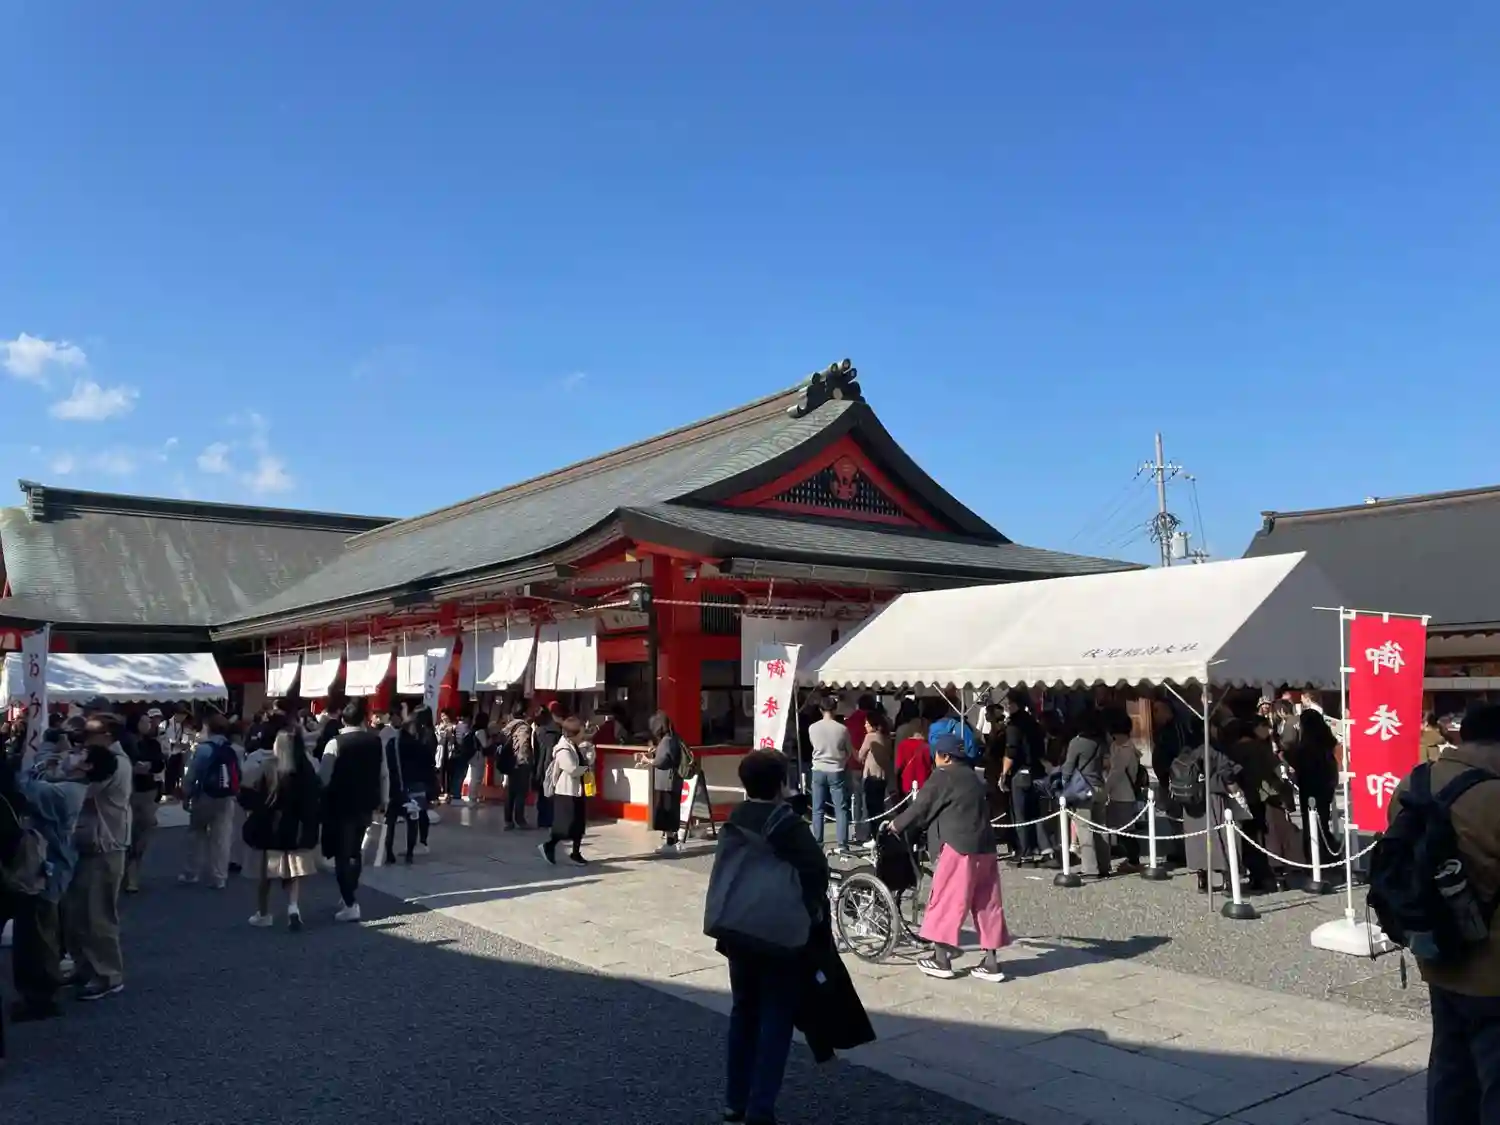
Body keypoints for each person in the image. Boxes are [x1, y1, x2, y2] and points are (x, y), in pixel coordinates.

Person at [1387, 702, 1500, 1123]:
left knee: (1450, 1069)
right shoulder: (1493, 796)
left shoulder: (1413, 783)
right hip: (1492, 968)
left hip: (1434, 950)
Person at [714, 749, 832, 1125]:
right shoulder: (787, 823)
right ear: (781, 783)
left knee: (743, 1012)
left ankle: (734, 1101)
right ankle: (761, 1108)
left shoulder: (735, 818)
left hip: (737, 927)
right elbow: (816, 870)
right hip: (778, 932)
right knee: (776, 1018)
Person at [887, 733, 1010, 981]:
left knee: (947, 899)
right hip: (986, 847)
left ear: (944, 756)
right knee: (987, 903)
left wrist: (896, 825)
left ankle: (941, 959)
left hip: (958, 847)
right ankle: (991, 962)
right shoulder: (973, 776)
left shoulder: (943, 775)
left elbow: (921, 806)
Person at [0, 752, 84, 1022]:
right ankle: (39, 993)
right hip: (43, 869)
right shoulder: (68, 789)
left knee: (37, 937)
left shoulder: (65, 792)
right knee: (37, 934)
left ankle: (41, 998)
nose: (70, 757)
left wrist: (36, 764)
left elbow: (26, 787)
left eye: (80, 755)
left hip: (42, 872)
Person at [65, 721, 133, 1001]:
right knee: (77, 912)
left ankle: (108, 975)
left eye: (88, 734)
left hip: (106, 845)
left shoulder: (114, 763)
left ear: (106, 735)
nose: (82, 739)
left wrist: (71, 766)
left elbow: (82, 790)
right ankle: (85, 967)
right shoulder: (101, 758)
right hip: (91, 842)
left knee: (98, 915)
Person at [242, 727, 322, 931]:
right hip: (296, 828)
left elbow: (254, 795)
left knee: (267, 874)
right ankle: (293, 908)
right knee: (293, 871)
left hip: (271, 827)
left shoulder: (268, 767)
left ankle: (263, 913)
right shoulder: (305, 769)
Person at [319, 699, 388, 923]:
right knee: (355, 851)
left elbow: (324, 777)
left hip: (339, 804)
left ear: (343, 720)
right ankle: (349, 894)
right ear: (363, 720)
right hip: (365, 803)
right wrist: (384, 800)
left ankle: (350, 902)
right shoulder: (375, 742)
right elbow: (384, 773)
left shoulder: (335, 743)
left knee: (341, 853)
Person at [179, 711, 239, 888]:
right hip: (226, 796)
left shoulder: (203, 749)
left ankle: (191, 872)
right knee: (222, 837)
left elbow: (191, 775)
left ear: (209, 728)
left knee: (196, 833)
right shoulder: (232, 749)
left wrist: (186, 795)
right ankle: (219, 876)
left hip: (205, 796)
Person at [1060, 710, 1111, 878]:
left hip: (1083, 789)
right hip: (1099, 785)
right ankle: (1104, 865)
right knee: (1101, 828)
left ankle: (1090, 868)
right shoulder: (1102, 742)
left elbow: (1068, 768)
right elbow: (1106, 764)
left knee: (1084, 829)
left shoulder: (1077, 742)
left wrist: (1063, 785)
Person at [1287, 708, 1342, 863]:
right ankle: (1326, 853)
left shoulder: (1307, 745)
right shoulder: (1326, 740)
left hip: (1309, 786)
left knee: (1311, 822)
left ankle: (1315, 855)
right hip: (1325, 785)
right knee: (1322, 821)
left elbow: (1300, 764)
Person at [1000, 688, 1049, 865]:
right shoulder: (1033, 722)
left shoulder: (1014, 725)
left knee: (1020, 814)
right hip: (1036, 770)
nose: (1006, 706)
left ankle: (1025, 853)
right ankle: (1042, 849)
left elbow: (1011, 751)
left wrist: (1003, 774)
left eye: (1009, 703)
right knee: (1035, 813)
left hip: (1020, 772)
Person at [539, 715, 593, 866]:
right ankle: (549, 846)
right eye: (581, 732)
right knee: (565, 826)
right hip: (566, 792)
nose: (583, 735)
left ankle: (575, 853)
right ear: (573, 733)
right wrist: (585, 768)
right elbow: (572, 769)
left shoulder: (575, 746)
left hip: (578, 790)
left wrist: (589, 751)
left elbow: (586, 761)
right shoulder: (563, 749)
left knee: (578, 825)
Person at [383, 713, 435, 865]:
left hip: (395, 786)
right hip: (415, 787)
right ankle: (410, 854)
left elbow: (387, 764)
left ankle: (389, 852)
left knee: (390, 821)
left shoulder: (392, 743)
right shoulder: (419, 745)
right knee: (412, 820)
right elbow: (429, 764)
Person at [123, 711, 166, 893]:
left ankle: (133, 873)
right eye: (145, 721)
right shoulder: (125, 742)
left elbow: (160, 763)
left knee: (142, 833)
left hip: (147, 790)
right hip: (130, 790)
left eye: (149, 721)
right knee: (129, 832)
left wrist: (149, 766)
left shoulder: (152, 743)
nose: (149, 724)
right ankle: (127, 873)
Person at [1102, 708, 1145, 874]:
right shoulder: (1116, 746)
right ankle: (1128, 857)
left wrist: (1104, 790)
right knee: (1118, 829)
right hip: (1116, 794)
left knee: (1126, 831)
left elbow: (1117, 772)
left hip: (1125, 794)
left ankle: (1134, 861)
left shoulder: (1127, 750)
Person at [808, 697, 852, 851]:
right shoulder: (842, 729)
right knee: (841, 809)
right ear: (835, 709)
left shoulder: (812, 728)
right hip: (837, 769)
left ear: (820, 710)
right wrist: (843, 760)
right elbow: (848, 751)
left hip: (818, 769)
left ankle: (818, 842)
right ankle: (843, 844)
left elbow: (813, 745)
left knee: (817, 809)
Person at [643, 710, 685, 854]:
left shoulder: (666, 741)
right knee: (671, 811)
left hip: (666, 782)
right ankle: (672, 841)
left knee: (667, 813)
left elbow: (661, 761)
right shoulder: (673, 738)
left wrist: (648, 760)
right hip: (672, 781)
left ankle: (671, 843)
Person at [499, 702, 535, 830]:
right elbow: (523, 744)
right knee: (520, 792)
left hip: (510, 762)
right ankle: (520, 820)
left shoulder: (508, 726)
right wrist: (525, 761)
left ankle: (508, 820)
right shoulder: (523, 727)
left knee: (510, 792)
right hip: (520, 763)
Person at [857, 709, 895, 830]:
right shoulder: (887, 737)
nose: (865, 725)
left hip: (871, 775)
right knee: (879, 806)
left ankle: (871, 833)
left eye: (867, 723)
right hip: (883, 776)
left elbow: (860, 755)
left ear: (873, 724)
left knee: (870, 808)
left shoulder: (870, 737)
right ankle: (879, 831)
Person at [532, 704, 562, 830]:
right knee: (550, 794)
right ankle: (549, 820)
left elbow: (536, 752)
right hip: (551, 766)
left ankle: (542, 820)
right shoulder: (557, 731)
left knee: (542, 794)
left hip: (540, 767)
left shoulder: (538, 732)